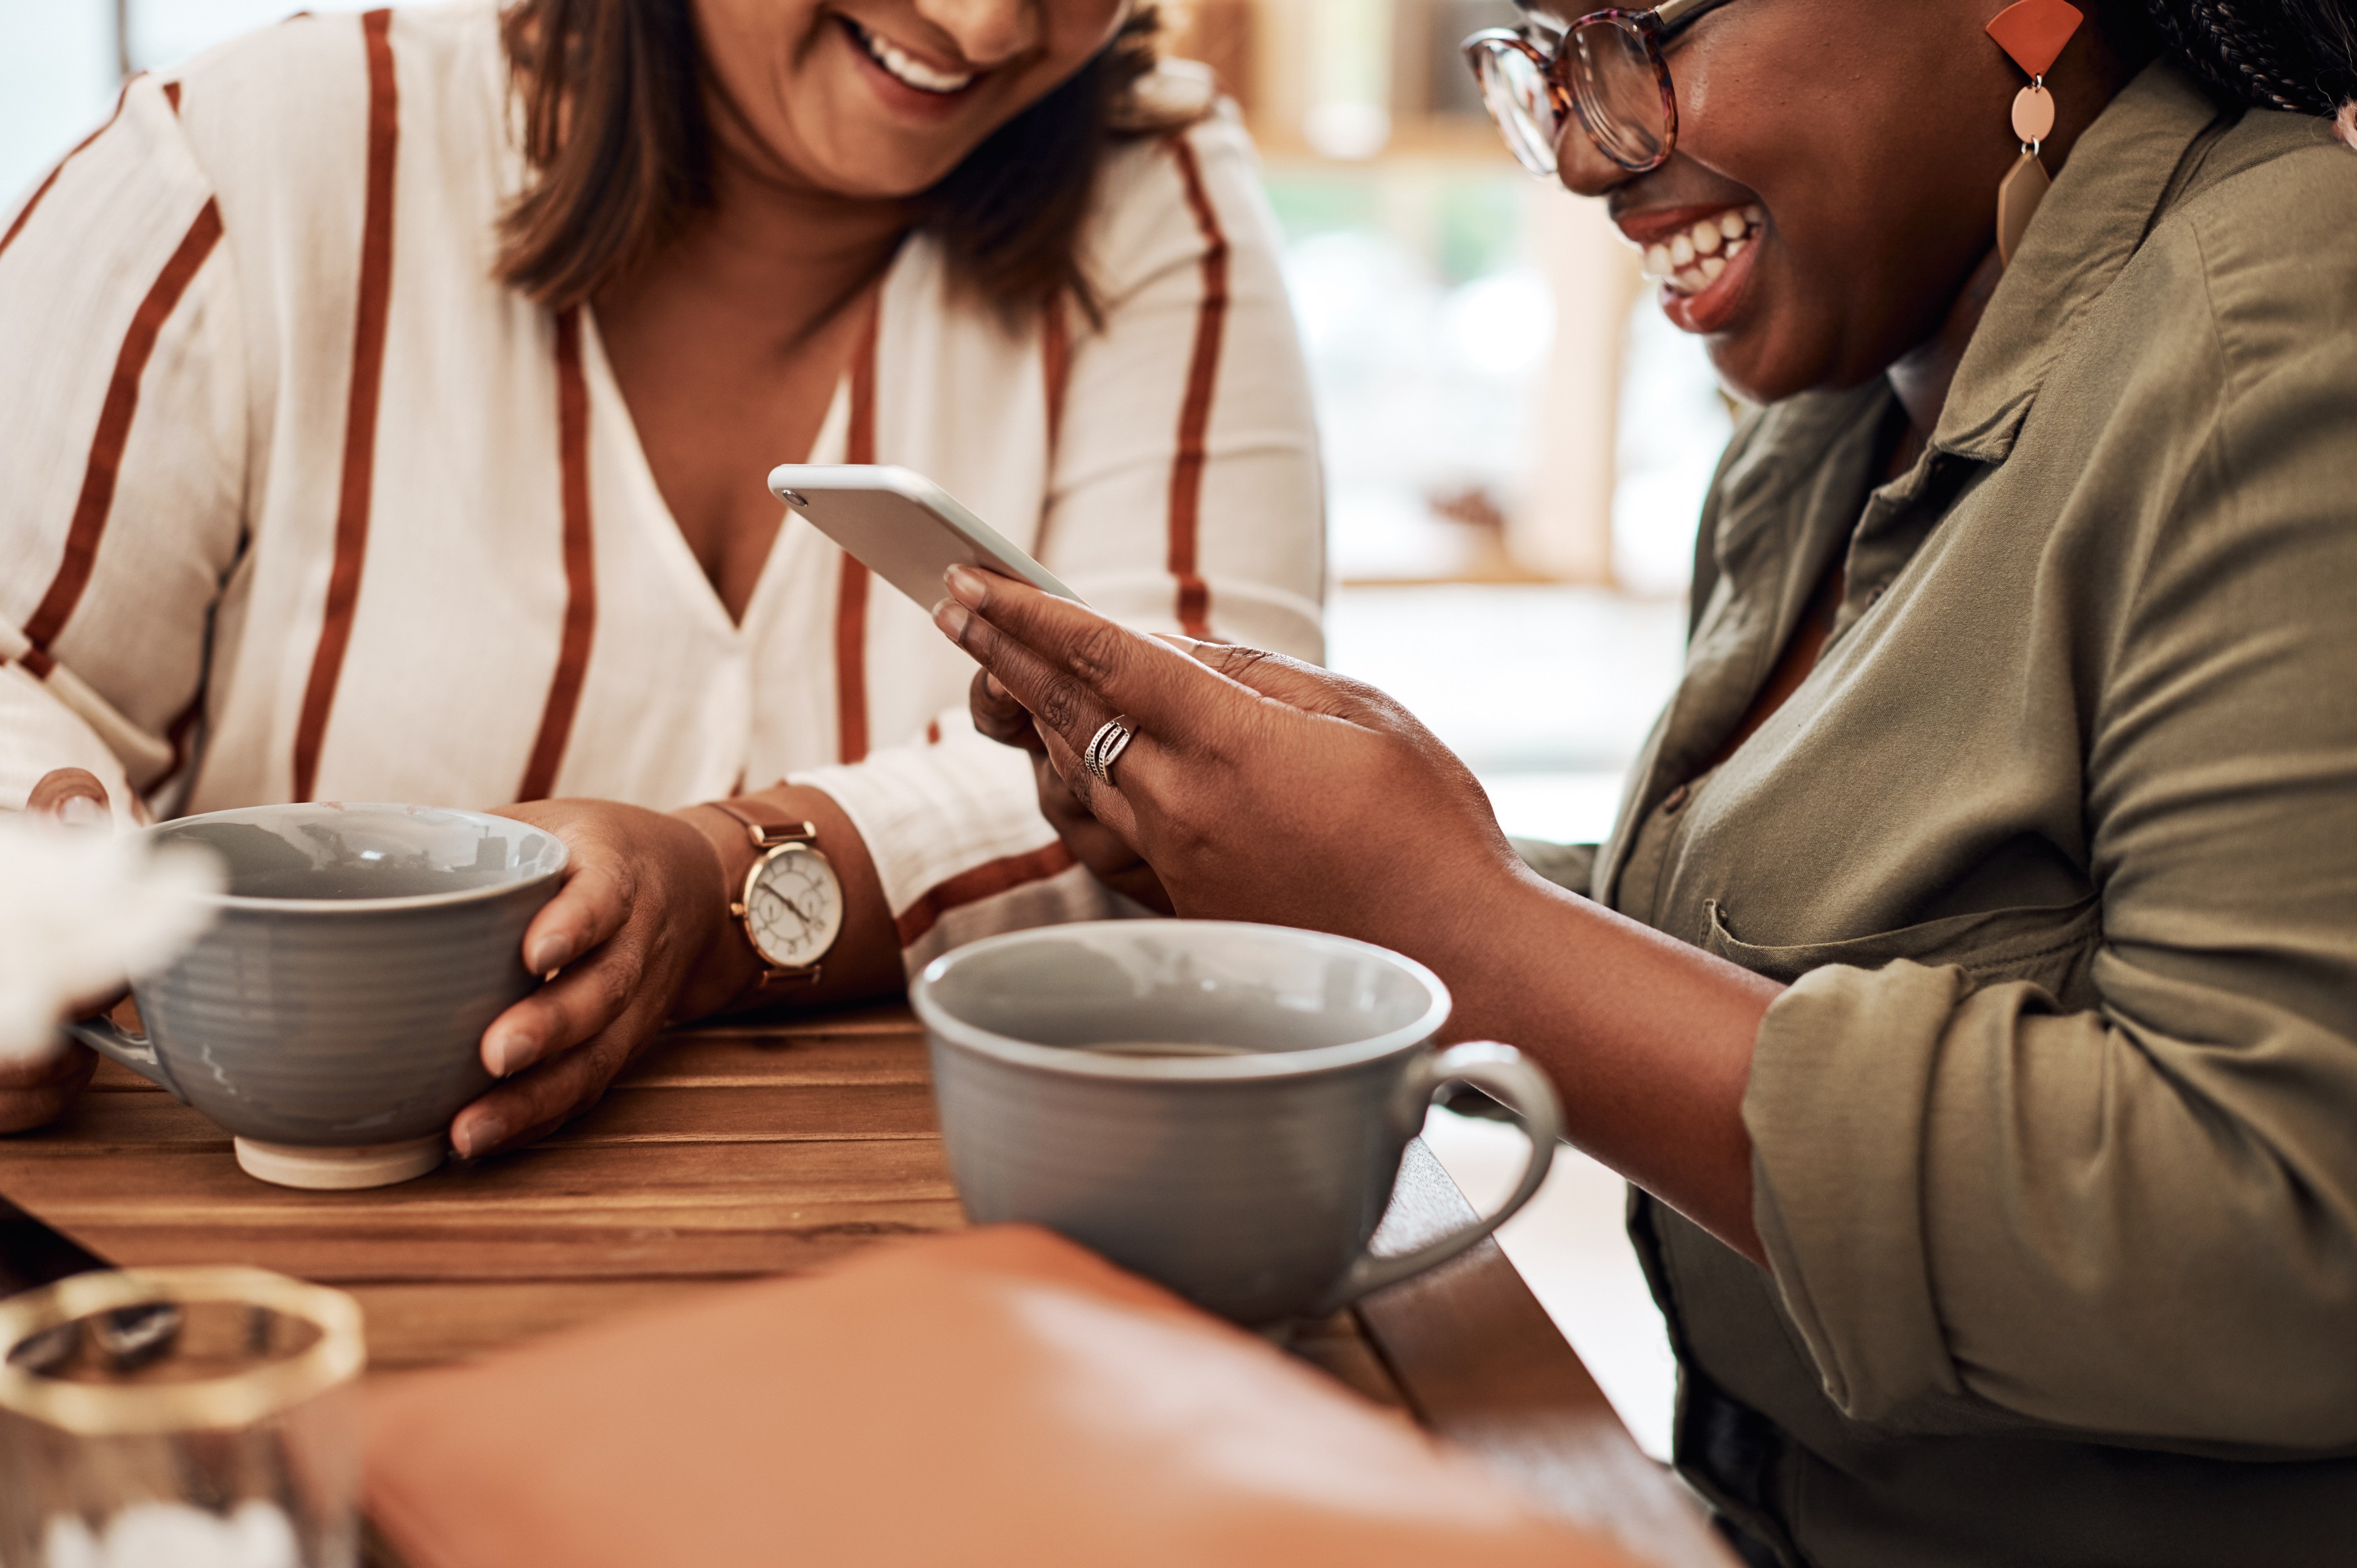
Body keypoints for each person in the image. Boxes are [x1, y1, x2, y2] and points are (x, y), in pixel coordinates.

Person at [949, 0, 2357, 1560]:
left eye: (1640, 34)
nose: (1575, 149)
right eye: (1541, 64)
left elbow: (2280, 1234)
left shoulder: (2283, 317)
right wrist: (1316, 879)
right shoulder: (1826, 425)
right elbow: (1810, 959)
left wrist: (1460, 926)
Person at [0, 1, 1322, 1151]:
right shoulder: (254, 158)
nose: (982, 25)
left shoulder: (1154, 185)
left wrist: (718, 888)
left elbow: (1209, 767)